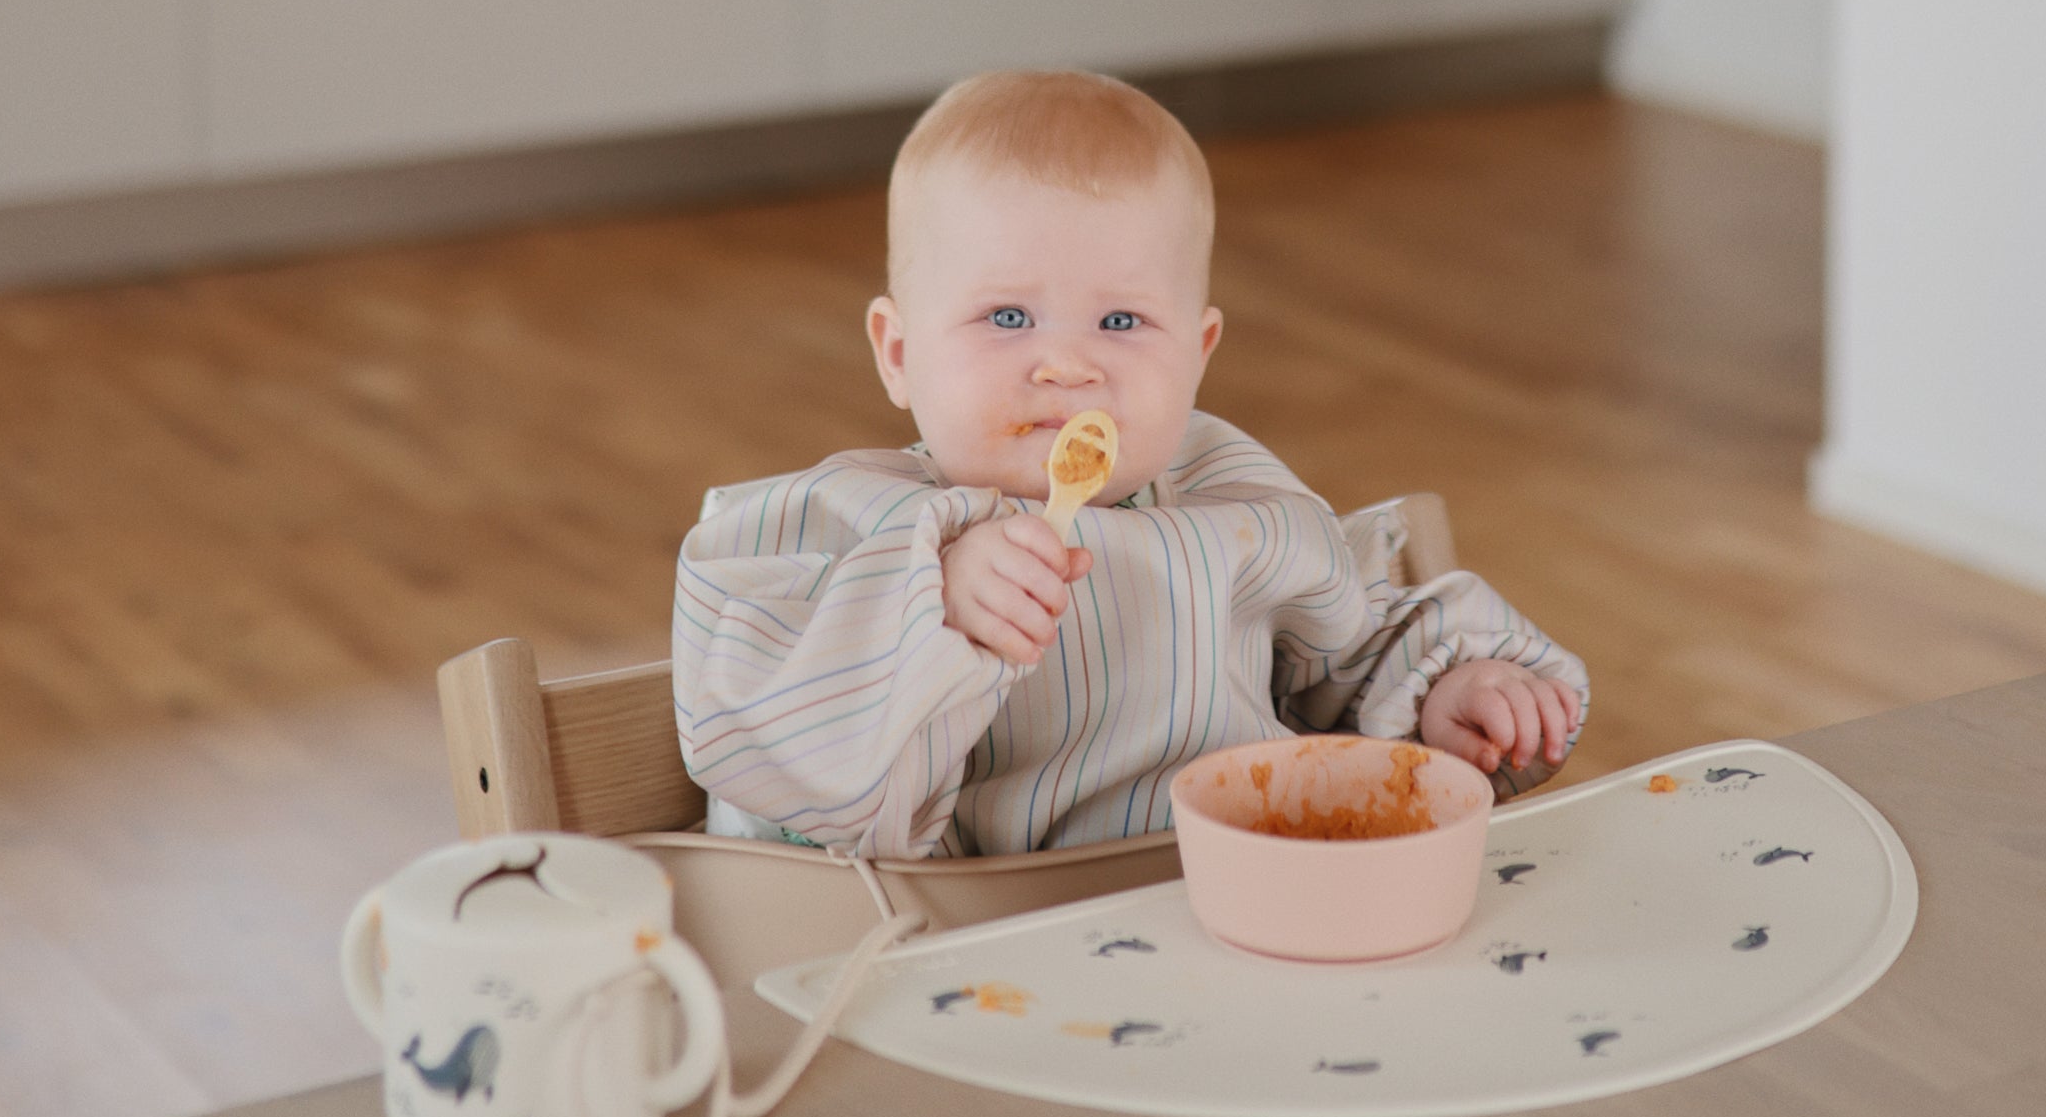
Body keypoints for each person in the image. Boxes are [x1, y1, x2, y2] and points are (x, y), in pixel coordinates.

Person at [674, 68, 1586, 857]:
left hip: (1240, 889)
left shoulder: (1233, 502)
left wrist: (1449, 690)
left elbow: (1345, 650)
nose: (1068, 365)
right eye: (1007, 317)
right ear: (900, 354)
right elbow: (775, 760)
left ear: (1197, 353)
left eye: (1121, 322)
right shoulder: (852, 524)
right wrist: (929, 606)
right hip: (976, 937)